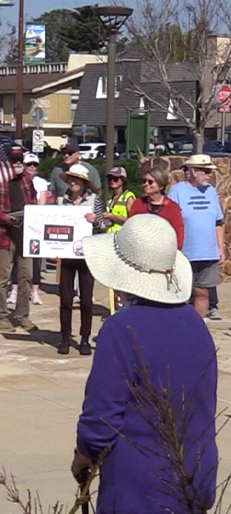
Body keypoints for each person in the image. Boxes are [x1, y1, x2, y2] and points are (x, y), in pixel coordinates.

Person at [73, 214, 217, 514]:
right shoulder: (196, 324)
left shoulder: (121, 329)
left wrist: (85, 455)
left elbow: (101, 416)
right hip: (195, 471)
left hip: (138, 485)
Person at [56, 164, 107, 355]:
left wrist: (95, 221)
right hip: (68, 255)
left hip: (87, 255)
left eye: (76, 179)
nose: (73, 182)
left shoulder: (94, 200)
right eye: (70, 178)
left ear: (84, 183)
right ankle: (65, 337)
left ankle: (84, 338)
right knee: (65, 299)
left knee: (86, 300)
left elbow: (103, 226)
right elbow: (54, 226)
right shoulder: (61, 201)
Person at [168, 154, 226, 320]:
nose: (209, 174)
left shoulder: (211, 191)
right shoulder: (177, 191)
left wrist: (220, 248)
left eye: (210, 171)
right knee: (182, 294)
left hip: (208, 252)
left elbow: (218, 222)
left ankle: (198, 328)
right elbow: (170, 221)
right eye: (206, 171)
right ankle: (180, 327)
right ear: (193, 171)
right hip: (185, 252)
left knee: (203, 292)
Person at [0, 146, 37, 332]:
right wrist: (4, 217)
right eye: (13, 160)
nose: (16, 163)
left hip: (26, 232)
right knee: (2, 277)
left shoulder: (27, 180)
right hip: (5, 233)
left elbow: (32, 204)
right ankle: (0, 316)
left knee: (26, 276)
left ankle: (23, 315)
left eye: (19, 160)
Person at [9, 153, 50, 306]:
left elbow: (42, 203)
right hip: (20, 223)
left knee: (35, 260)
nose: (32, 167)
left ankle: (35, 291)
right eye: (29, 164)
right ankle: (14, 290)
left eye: (35, 165)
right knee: (17, 258)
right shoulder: (17, 182)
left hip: (36, 225)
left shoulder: (41, 183)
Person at [128, 166, 183, 247]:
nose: (146, 184)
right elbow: (130, 228)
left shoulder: (172, 207)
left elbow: (178, 235)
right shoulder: (138, 204)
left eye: (150, 182)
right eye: (144, 181)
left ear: (161, 186)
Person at [104, 166, 135, 233]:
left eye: (115, 179)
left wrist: (114, 217)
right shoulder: (110, 199)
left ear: (123, 180)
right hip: (110, 235)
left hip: (123, 235)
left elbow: (133, 220)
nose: (112, 181)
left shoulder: (128, 197)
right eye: (110, 179)